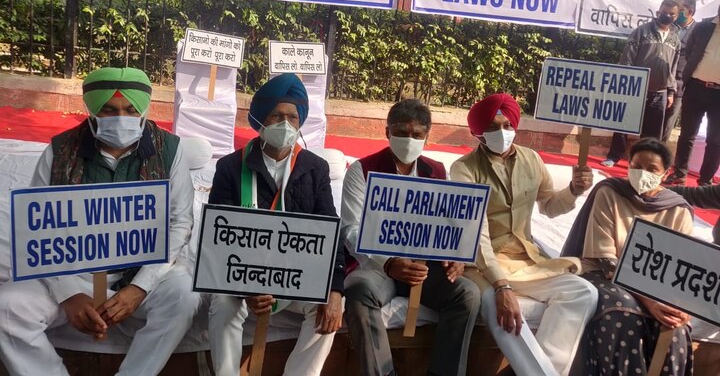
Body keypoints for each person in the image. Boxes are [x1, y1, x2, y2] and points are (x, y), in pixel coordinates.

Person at [0, 67, 198, 376]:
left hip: (137, 272)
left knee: (185, 295)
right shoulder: (60, 149)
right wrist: (68, 293)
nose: (122, 117)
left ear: (144, 109)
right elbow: (38, 226)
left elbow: (179, 224)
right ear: (92, 110)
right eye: (110, 110)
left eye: (132, 110)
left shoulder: (168, 150)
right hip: (72, 273)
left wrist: (139, 288)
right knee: (8, 307)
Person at [207, 73, 344, 376]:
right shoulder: (231, 166)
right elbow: (218, 238)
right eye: (277, 115)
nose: (286, 124)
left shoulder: (314, 168)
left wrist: (335, 289)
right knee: (222, 305)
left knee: (328, 310)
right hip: (241, 275)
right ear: (260, 121)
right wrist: (246, 285)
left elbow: (329, 228)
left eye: (293, 117)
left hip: (297, 276)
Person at [450, 93, 597, 376]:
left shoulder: (532, 159)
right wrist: (502, 287)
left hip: (526, 259)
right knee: (498, 307)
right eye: (492, 127)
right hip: (482, 264)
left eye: (507, 125)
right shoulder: (463, 169)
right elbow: (475, 235)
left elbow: (550, 207)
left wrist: (573, 191)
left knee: (584, 292)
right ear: (477, 132)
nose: (502, 133)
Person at [342, 99, 481, 376]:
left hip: (424, 269)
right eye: (401, 133)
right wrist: (389, 262)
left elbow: (450, 224)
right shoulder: (362, 170)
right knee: (358, 291)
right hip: (378, 267)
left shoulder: (438, 172)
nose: (409, 140)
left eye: (417, 135)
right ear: (387, 132)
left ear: (427, 137)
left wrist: (455, 257)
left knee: (468, 294)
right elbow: (351, 230)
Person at [563, 138, 693, 375]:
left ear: (665, 174)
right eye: (636, 166)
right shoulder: (609, 192)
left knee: (675, 330)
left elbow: (680, 269)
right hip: (605, 274)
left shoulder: (678, 210)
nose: (642, 173)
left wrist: (681, 306)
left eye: (652, 169)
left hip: (655, 284)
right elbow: (605, 259)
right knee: (623, 314)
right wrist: (649, 302)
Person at [602, 0, 681, 167]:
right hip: (635, 88)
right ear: (658, 11)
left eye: (671, 14)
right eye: (664, 12)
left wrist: (671, 92)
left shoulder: (675, 39)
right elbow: (627, 59)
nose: (666, 16)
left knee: (652, 134)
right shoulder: (641, 32)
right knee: (623, 124)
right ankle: (614, 156)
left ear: (676, 16)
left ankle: (645, 162)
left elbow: (673, 68)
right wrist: (625, 82)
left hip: (660, 92)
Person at [664, 7, 720, 186]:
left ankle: (705, 180)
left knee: (716, 139)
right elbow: (689, 53)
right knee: (687, 134)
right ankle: (679, 173)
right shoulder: (703, 27)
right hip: (695, 87)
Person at [661, 0, 698, 144]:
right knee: (654, 118)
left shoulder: (699, 31)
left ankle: (659, 153)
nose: (676, 13)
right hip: (661, 79)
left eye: (681, 10)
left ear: (690, 11)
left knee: (668, 120)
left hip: (680, 83)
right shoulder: (669, 27)